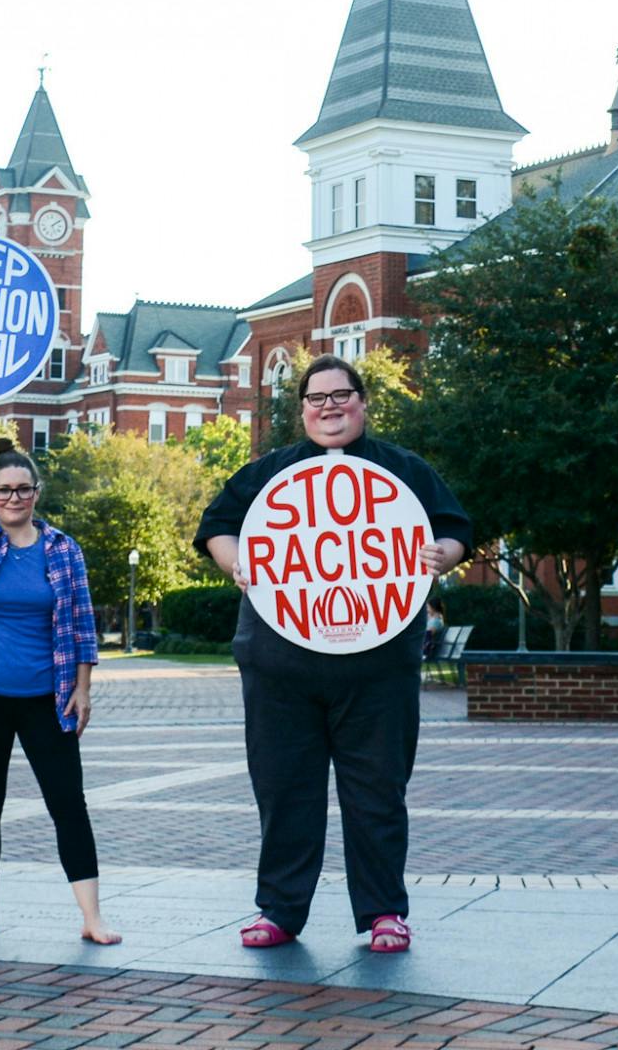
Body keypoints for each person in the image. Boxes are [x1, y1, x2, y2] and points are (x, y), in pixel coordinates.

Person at [194, 354, 471, 957]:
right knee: (283, 788)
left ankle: (383, 914)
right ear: (302, 410)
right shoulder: (268, 473)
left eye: (340, 395)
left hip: (376, 669)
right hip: (279, 665)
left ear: (362, 402)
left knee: (377, 790)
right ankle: (280, 910)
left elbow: (453, 529)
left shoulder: (402, 470)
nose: (329, 406)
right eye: (316, 398)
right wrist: (235, 558)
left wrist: (441, 555)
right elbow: (216, 527)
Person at [0, 396, 119, 945]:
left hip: (47, 699)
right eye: (3, 490)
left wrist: (83, 690)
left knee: (68, 804)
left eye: (23, 489)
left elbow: (82, 625)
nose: (14, 497)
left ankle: (92, 917)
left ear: (37, 494)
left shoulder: (62, 549)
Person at [422, 597, 446, 663]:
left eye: (428, 607)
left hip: (430, 649)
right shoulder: (434, 619)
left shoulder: (436, 621)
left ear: (433, 608)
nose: (427, 610)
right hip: (429, 646)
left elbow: (429, 634)